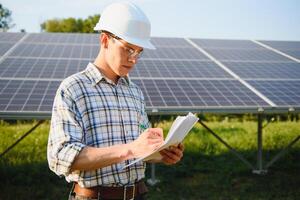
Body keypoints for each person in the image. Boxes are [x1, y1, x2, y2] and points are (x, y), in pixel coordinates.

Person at [47, 2, 184, 200]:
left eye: (139, 51)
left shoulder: (135, 92)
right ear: (105, 40)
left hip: (138, 195)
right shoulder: (73, 88)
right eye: (128, 49)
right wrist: (129, 150)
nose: (134, 59)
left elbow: (138, 150)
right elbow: (60, 156)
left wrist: (161, 153)